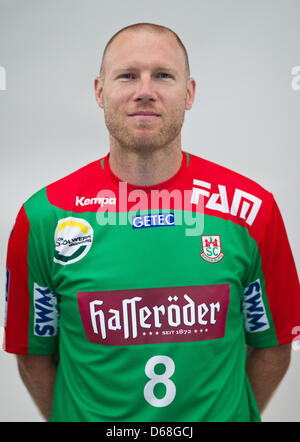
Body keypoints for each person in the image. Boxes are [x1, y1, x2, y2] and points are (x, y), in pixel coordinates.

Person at [3, 22, 300, 423]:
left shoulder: (251, 211)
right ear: (99, 91)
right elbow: (33, 355)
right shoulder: (44, 216)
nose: (145, 90)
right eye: (127, 75)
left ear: (189, 92)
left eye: (163, 75)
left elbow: (274, 344)